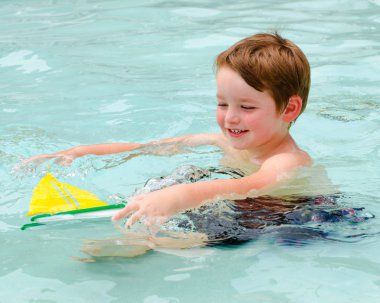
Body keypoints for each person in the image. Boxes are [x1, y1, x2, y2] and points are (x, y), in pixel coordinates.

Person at [23, 32, 312, 230]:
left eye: (247, 107)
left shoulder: (287, 160)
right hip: (234, 212)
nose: (231, 118)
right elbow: (150, 147)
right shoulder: (224, 141)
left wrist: (179, 197)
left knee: (179, 226)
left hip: (287, 220)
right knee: (172, 189)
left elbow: (248, 186)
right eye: (223, 104)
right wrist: (80, 151)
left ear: (288, 109)